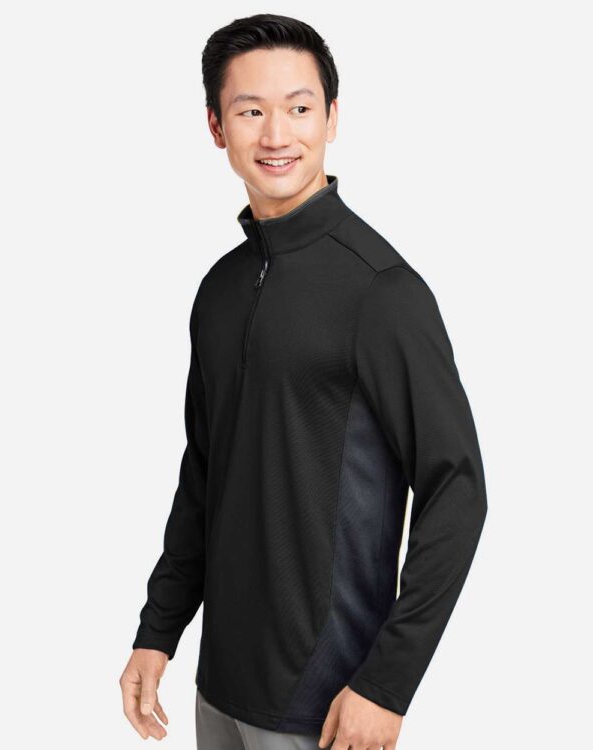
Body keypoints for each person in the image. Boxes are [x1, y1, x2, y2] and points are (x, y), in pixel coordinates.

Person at [119, 13, 488, 750]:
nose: (277, 135)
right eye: (250, 111)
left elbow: (457, 489)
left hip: (327, 703)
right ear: (217, 127)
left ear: (332, 118)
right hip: (219, 687)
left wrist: (387, 683)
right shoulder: (220, 290)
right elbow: (206, 471)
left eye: (298, 107)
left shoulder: (381, 291)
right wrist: (158, 629)